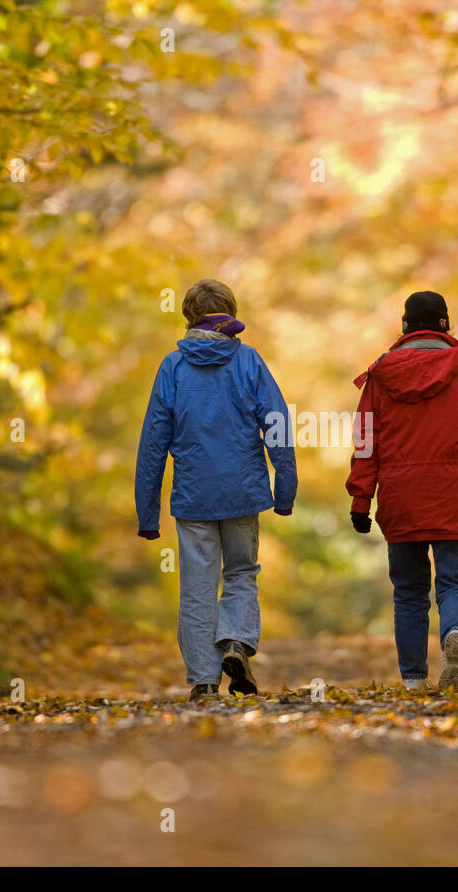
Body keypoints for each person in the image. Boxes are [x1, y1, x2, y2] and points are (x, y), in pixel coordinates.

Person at [134, 278, 296, 700]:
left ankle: (204, 680)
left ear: (189, 317)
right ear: (230, 311)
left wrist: (147, 512)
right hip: (243, 491)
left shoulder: (173, 367)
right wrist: (285, 487)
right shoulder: (248, 361)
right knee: (241, 571)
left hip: (194, 497)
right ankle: (238, 642)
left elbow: (154, 442)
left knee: (197, 585)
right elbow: (277, 423)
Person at [346, 291, 458, 692]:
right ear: (445, 325)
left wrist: (361, 498)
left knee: (409, 591)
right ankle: (456, 633)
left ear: (404, 327)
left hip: (402, 500)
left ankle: (414, 679)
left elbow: (366, 442)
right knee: (456, 582)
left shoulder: (381, 376)